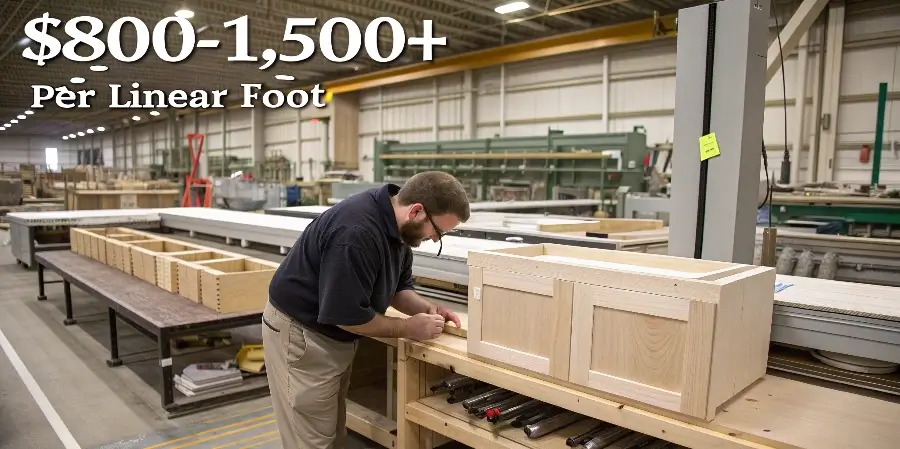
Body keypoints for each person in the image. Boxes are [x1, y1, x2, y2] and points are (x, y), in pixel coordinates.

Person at [263, 171, 470, 449]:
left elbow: (398, 289)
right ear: (416, 211)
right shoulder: (356, 233)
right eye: (438, 231)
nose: (435, 239)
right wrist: (408, 328)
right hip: (302, 336)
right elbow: (347, 316)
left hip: (332, 335)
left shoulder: (399, 228)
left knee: (331, 431)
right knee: (311, 439)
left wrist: (429, 308)